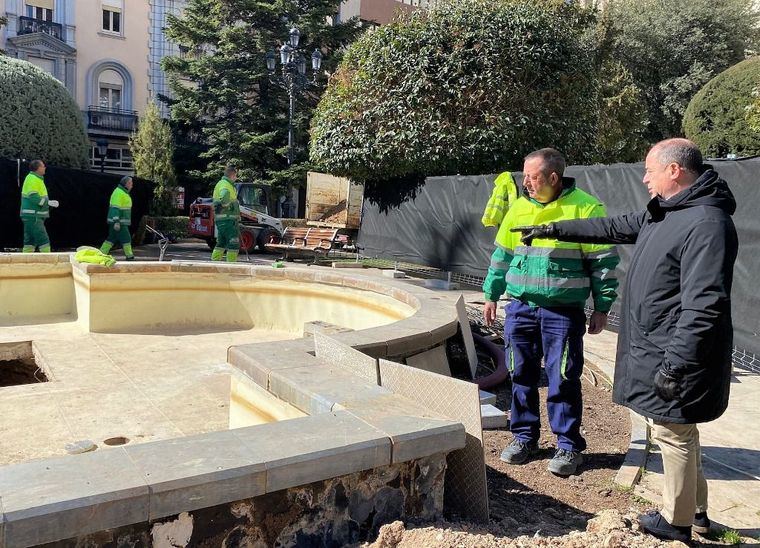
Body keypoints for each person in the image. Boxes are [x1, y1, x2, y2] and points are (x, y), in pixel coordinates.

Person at [512, 138, 738, 543]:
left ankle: (677, 522)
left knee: (675, 432)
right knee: (680, 432)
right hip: (659, 345)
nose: (644, 178)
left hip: (677, 351)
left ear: (674, 171)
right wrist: (554, 228)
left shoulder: (706, 223)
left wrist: (677, 364)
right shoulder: (667, 212)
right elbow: (610, 227)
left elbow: (705, 305)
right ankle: (697, 513)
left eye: (650, 170)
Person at [483, 148, 620, 476]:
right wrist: (491, 294)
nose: (525, 182)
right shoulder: (518, 207)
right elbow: (501, 255)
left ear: (554, 178)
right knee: (521, 375)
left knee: (563, 378)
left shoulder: (585, 208)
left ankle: (569, 446)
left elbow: (603, 263)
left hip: (563, 313)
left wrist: (602, 306)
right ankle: (524, 437)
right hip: (520, 310)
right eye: (524, 176)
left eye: (532, 177)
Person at [19, 159, 58, 253]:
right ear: (38, 168)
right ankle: (48, 260)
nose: (45, 168)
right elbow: (33, 197)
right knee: (43, 239)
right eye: (43, 166)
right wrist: (47, 203)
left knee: (30, 241)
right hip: (34, 215)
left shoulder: (34, 178)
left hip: (31, 215)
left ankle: (26, 260)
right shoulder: (33, 179)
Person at [100, 176, 135, 261]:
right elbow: (115, 208)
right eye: (131, 183)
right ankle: (129, 256)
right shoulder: (119, 193)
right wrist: (116, 221)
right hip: (119, 222)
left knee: (111, 238)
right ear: (126, 184)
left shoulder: (121, 192)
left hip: (118, 222)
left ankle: (101, 253)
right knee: (126, 238)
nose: (132, 185)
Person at [211, 165, 240, 262]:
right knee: (233, 243)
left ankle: (214, 263)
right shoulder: (226, 185)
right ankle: (231, 266)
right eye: (236, 175)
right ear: (232, 175)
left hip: (222, 219)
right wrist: (230, 207)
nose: (236, 178)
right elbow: (224, 198)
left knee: (221, 243)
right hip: (228, 220)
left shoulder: (221, 183)